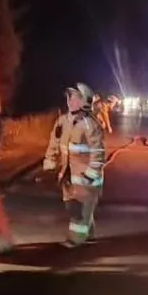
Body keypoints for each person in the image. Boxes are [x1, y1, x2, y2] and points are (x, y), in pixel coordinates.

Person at [42, 82, 106, 247]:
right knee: (76, 208)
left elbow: (98, 152)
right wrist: (49, 163)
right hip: (68, 176)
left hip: (87, 178)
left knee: (79, 212)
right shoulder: (62, 121)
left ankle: (75, 240)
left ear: (85, 102)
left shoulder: (90, 124)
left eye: (75, 98)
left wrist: (91, 175)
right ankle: (88, 235)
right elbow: (54, 143)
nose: (70, 101)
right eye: (69, 98)